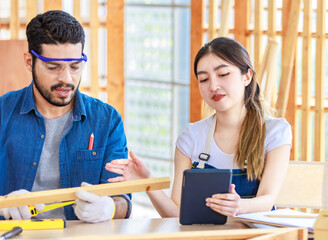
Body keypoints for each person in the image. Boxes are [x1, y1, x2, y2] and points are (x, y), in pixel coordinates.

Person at [105, 37, 292, 217]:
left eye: (223, 74)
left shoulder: (275, 131)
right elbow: (177, 214)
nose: (213, 86)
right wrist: (148, 183)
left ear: (247, 76)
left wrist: (239, 205)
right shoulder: (191, 137)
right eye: (204, 79)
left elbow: (267, 199)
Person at [0, 10, 131, 222]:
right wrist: (4, 203)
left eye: (75, 66)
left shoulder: (107, 120)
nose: (66, 79)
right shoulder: (2, 113)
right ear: (29, 61)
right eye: (53, 67)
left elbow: (123, 200)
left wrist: (110, 208)